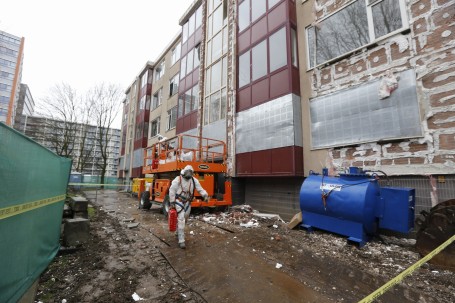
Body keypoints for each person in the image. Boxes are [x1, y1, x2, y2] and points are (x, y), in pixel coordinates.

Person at [169, 165, 209, 249]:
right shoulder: (178, 179)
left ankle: (178, 231)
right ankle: (181, 240)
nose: (190, 174)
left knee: (185, 218)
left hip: (187, 202)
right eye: (188, 172)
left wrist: (205, 195)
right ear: (184, 171)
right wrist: (172, 202)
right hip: (178, 201)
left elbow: (200, 189)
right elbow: (172, 190)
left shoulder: (194, 181)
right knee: (181, 219)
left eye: (191, 172)